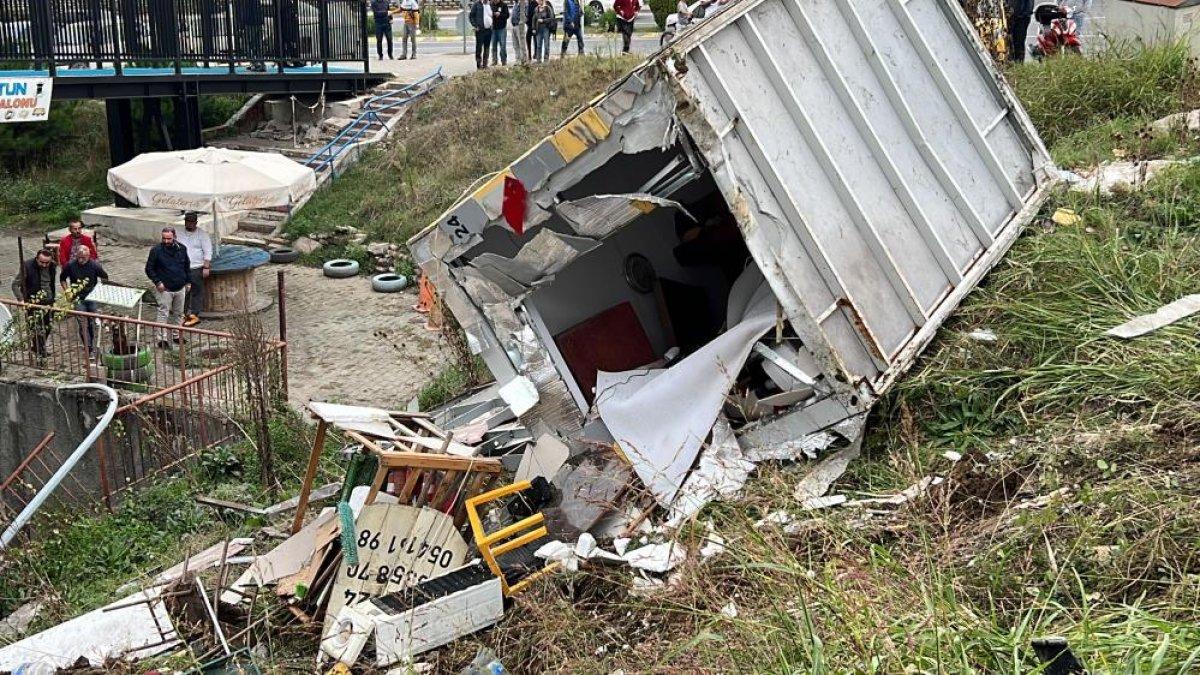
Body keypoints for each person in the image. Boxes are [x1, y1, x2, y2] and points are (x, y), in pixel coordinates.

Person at [144, 227, 191, 349]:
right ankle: (162, 339)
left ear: (174, 237)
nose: (166, 241)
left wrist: (188, 282)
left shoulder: (182, 249)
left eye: (168, 239)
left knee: (179, 313)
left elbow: (187, 266)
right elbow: (149, 268)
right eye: (164, 238)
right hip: (165, 289)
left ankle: (177, 335)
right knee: (163, 313)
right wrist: (157, 282)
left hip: (180, 287)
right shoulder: (156, 251)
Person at [60, 244, 109, 356]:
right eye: (79, 257)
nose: (81, 260)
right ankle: (89, 347)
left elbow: (105, 277)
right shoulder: (70, 265)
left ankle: (92, 343)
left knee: (91, 322)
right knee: (83, 323)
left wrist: (100, 290)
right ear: (76, 255)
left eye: (84, 258)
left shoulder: (95, 265)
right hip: (77, 298)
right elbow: (62, 279)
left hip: (92, 297)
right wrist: (67, 291)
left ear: (89, 256)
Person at [16, 248, 56, 358]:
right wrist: (21, 300)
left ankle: (39, 347)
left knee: (48, 325)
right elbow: (15, 285)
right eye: (41, 262)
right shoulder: (27, 266)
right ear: (37, 258)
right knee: (35, 327)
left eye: (46, 263)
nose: (44, 265)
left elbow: (51, 283)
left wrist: (53, 298)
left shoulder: (52, 266)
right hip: (33, 302)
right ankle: (39, 350)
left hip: (48, 301)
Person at [175, 212, 213, 328]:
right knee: (183, 292)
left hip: (197, 267)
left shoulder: (202, 234)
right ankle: (182, 313)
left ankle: (194, 315)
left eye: (192, 222)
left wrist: (206, 267)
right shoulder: (179, 233)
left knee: (197, 291)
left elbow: (208, 251)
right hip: (182, 268)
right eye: (187, 221)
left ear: (196, 223)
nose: (189, 224)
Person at [238, 0, 267, 72]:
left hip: (250, 23)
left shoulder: (247, 2)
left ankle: (254, 63)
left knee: (245, 44)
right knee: (258, 45)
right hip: (258, 23)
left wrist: (242, 25)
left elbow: (246, 12)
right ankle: (261, 64)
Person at [470, 0, 494, 69]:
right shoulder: (476, 4)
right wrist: (475, 26)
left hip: (489, 30)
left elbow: (492, 16)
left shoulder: (490, 4)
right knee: (479, 48)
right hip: (480, 30)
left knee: (487, 48)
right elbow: (471, 16)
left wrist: (492, 24)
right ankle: (479, 65)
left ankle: (485, 64)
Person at [491, 0, 510, 66]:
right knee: (493, 46)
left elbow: (507, 15)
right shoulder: (491, 4)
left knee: (503, 46)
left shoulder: (503, 5)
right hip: (493, 29)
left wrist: (500, 14)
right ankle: (494, 61)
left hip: (502, 28)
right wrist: (493, 14)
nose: (495, 1)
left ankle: (503, 61)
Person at [511, 0, 529, 64]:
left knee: (522, 44)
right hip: (513, 25)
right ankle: (518, 59)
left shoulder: (523, 3)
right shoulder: (515, 3)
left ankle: (524, 60)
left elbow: (526, 15)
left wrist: (521, 22)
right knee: (515, 44)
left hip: (519, 26)